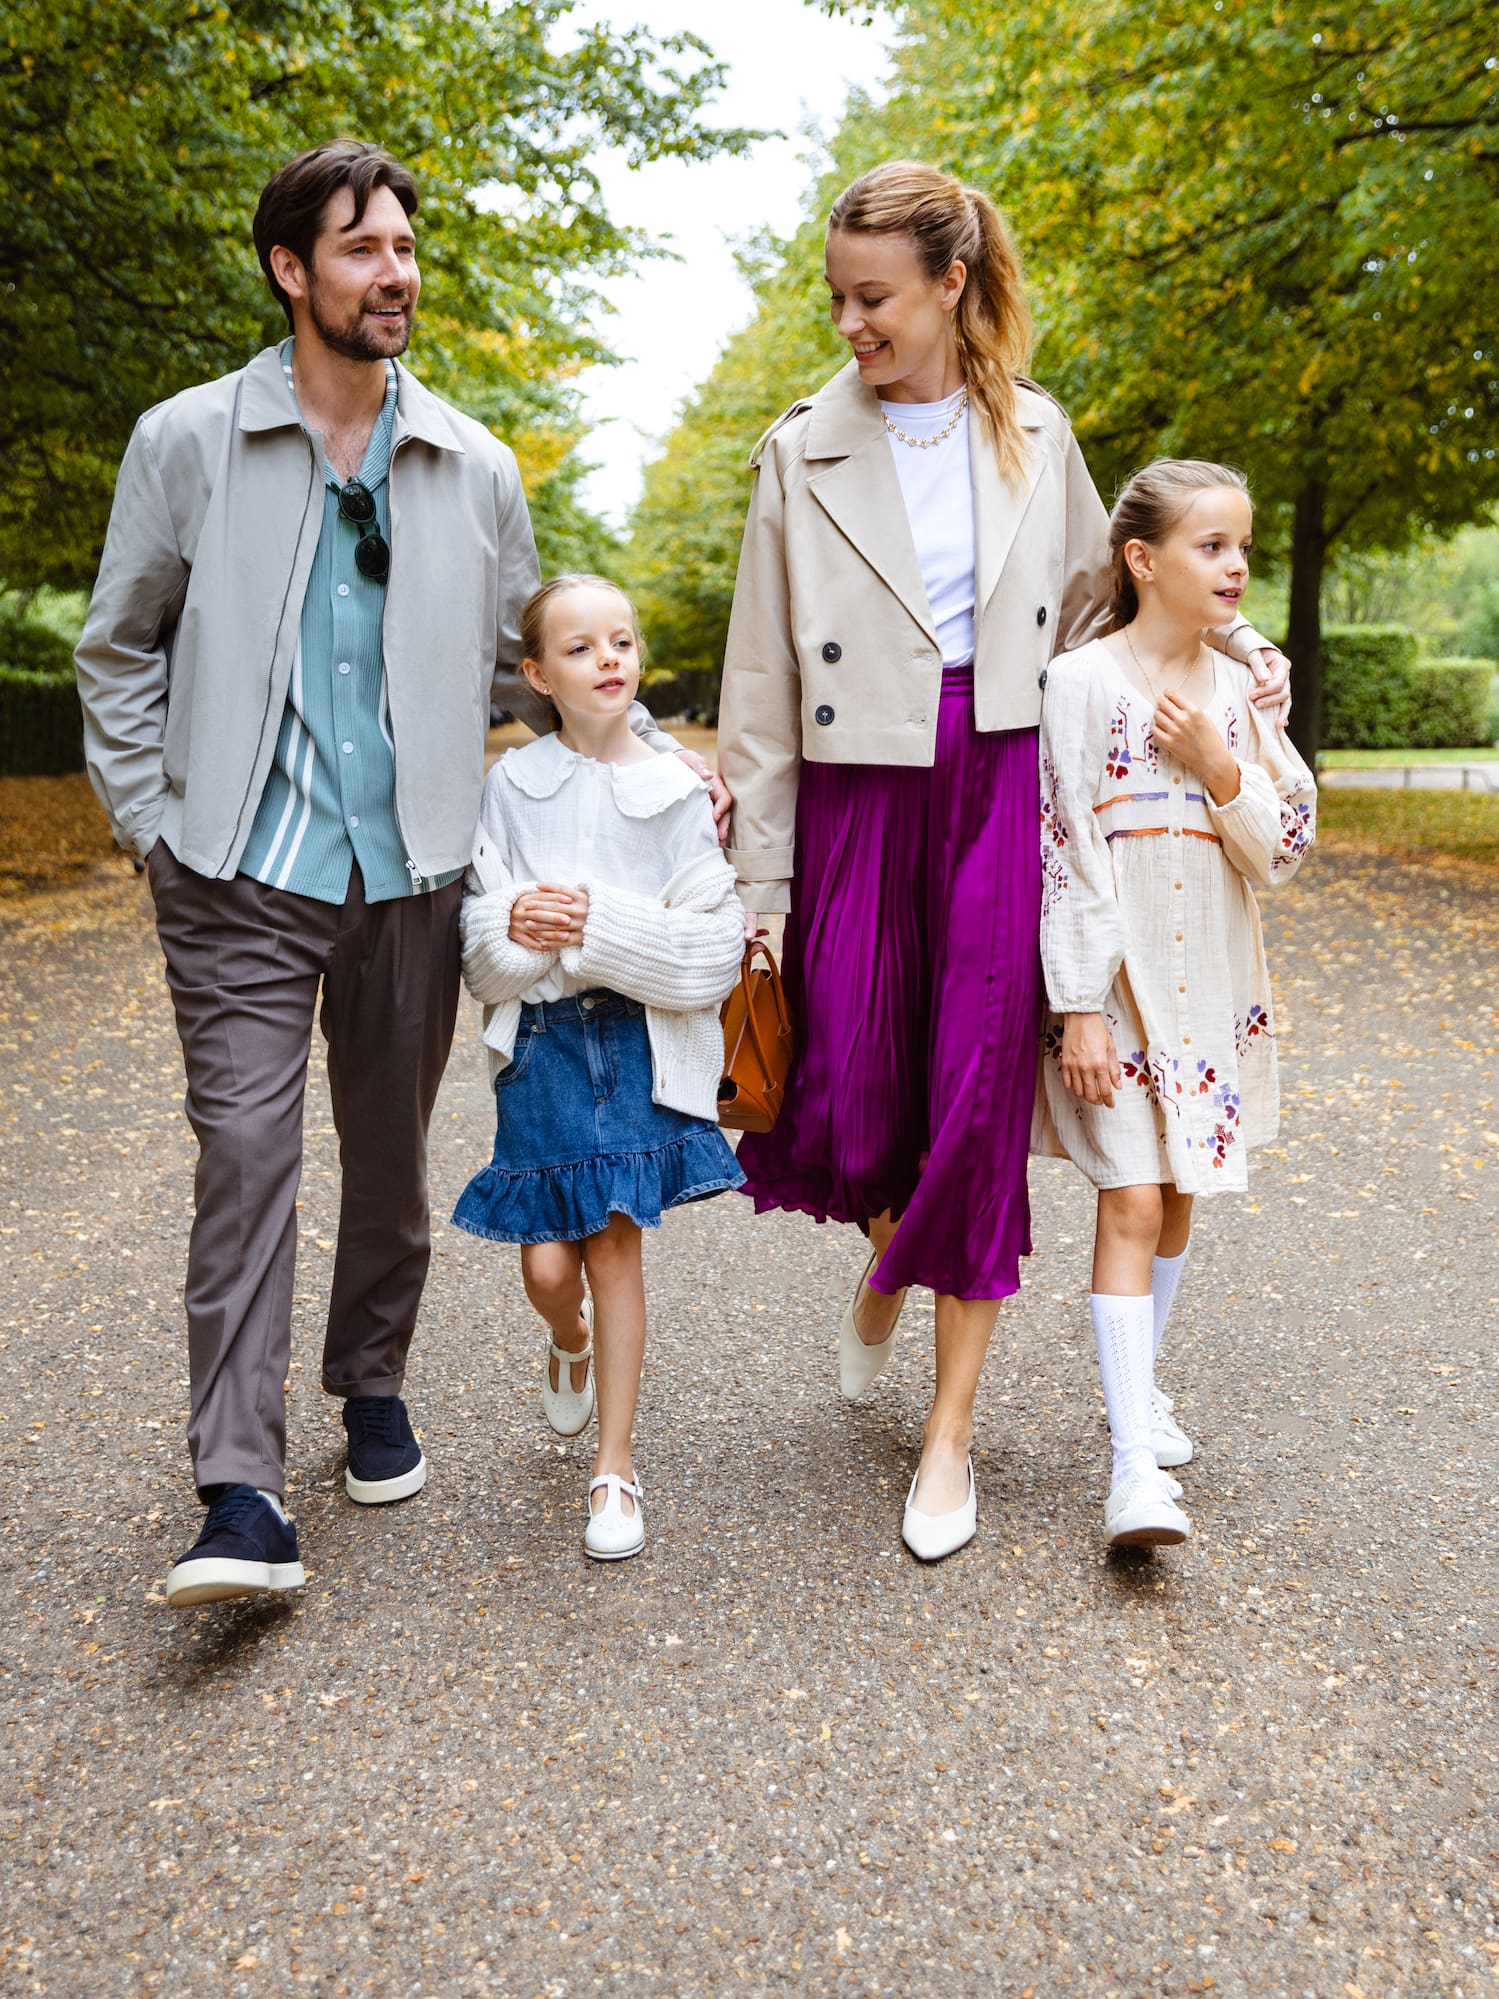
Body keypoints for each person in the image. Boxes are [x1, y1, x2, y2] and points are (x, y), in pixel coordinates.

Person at [74, 142, 720, 1609]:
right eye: (360, 248)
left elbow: (538, 664)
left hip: (416, 873)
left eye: (405, 247)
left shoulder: (473, 466)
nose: (394, 273)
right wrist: (153, 828)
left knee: (387, 1156)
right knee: (248, 1155)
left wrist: (662, 761)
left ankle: (370, 1382)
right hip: (234, 869)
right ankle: (239, 1489)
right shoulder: (187, 441)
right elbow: (117, 647)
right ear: (288, 269)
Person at [716, 159, 1291, 1561]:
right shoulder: (799, 449)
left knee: (973, 1106)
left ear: (948, 283)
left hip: (1000, 780)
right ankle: (886, 1262)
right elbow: (758, 685)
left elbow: (1111, 601)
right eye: (835, 296)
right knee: (855, 1102)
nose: (849, 322)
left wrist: (1233, 648)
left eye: (873, 296)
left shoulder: (1037, 430)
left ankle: (949, 1432)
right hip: (856, 792)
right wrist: (762, 896)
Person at [1035, 460, 1316, 1547]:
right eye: (1211, 545)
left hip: (1212, 998)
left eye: (1242, 546)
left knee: (1182, 1191)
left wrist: (1219, 764)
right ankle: (1130, 1470)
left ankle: (1139, 1387)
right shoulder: (1078, 683)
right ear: (1142, 559)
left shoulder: (1240, 692)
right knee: (1132, 1203)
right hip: (1116, 989)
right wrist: (1076, 1004)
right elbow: (1059, 846)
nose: (1235, 565)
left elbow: (1283, 849)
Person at [451, 576, 746, 1561]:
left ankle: (613, 1468)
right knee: (547, 1266)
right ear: (537, 675)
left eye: (621, 640)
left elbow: (710, 951)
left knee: (614, 1250)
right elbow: (481, 950)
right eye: (579, 648)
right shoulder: (510, 785)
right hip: (538, 1047)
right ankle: (567, 1337)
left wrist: (594, 925)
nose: (608, 659)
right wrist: (517, 925)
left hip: (633, 1045)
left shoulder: (676, 791)